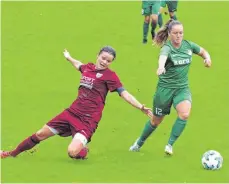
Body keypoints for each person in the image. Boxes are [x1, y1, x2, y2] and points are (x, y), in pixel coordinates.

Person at [1, 46, 153, 159]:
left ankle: (83, 151)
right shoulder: (88, 68)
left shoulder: (110, 76)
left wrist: (140, 106)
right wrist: (69, 57)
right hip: (71, 113)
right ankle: (11, 154)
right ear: (98, 55)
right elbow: (78, 65)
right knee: (40, 134)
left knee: (72, 152)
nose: (105, 62)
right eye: (103, 58)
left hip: (88, 119)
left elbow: (124, 93)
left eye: (109, 60)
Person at [129, 20, 212, 155]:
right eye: (175, 33)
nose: (178, 36)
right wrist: (161, 67)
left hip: (182, 88)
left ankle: (169, 145)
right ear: (169, 33)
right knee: (156, 121)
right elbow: (163, 57)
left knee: (184, 114)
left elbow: (203, 51)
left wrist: (207, 59)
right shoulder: (167, 48)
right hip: (165, 90)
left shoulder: (188, 45)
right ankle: (139, 142)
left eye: (181, 33)